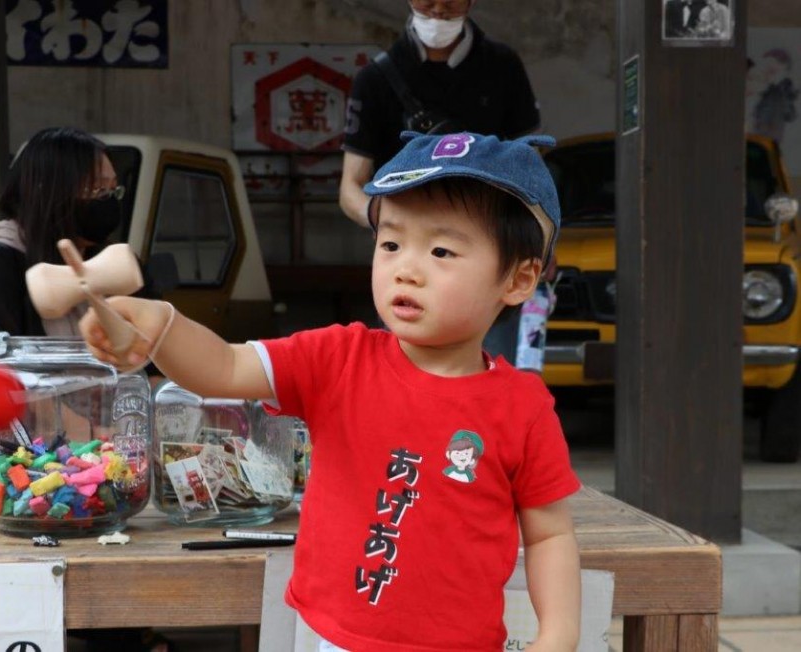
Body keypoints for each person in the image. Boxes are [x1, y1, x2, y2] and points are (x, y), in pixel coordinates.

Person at [80, 132, 582, 651]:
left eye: (441, 249)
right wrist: (161, 325)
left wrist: (559, 634)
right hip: (331, 638)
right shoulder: (337, 358)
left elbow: (549, 534)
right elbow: (224, 367)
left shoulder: (522, 406)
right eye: (390, 243)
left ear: (519, 280)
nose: (406, 268)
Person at [339, 0, 540, 229]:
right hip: (406, 235)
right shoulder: (373, 79)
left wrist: (538, 231)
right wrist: (383, 219)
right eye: (427, 1)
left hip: (482, 227)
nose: (438, 10)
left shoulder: (504, 66)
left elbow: (530, 163)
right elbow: (350, 186)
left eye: (451, 2)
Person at [0, 126, 124, 350]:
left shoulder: (103, 264)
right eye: (97, 190)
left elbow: (151, 362)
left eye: (113, 190)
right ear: (48, 192)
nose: (108, 202)